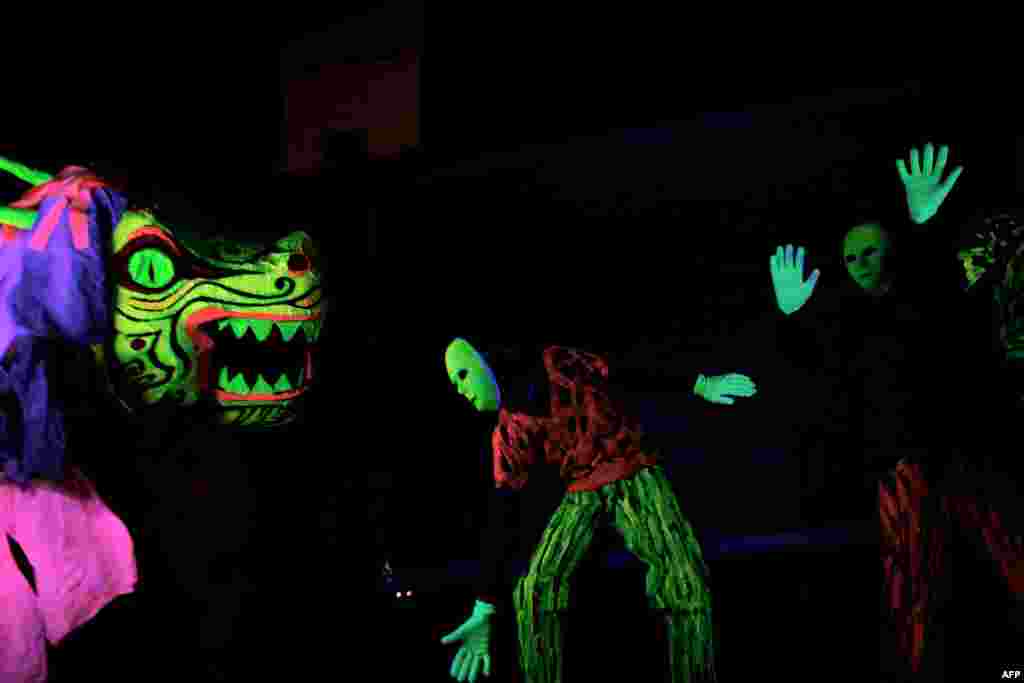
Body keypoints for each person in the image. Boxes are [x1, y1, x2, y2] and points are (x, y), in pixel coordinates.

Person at [769, 143, 1022, 678]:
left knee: (1011, 558)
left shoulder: (925, 297)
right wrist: (792, 317)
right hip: (902, 467)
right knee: (909, 590)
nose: (857, 265)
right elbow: (812, 376)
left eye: (868, 252)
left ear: (892, 250)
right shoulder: (846, 325)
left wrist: (923, 221)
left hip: (961, 452)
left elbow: (942, 292)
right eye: (849, 258)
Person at [438, 338, 757, 682]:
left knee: (682, 578)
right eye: (454, 382)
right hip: (581, 490)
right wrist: (484, 605)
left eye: (463, 374)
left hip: (631, 468)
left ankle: (694, 673)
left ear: (486, 361)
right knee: (534, 589)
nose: (460, 389)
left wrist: (700, 384)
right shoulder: (509, 432)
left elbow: (630, 370)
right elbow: (504, 514)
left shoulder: (558, 365)